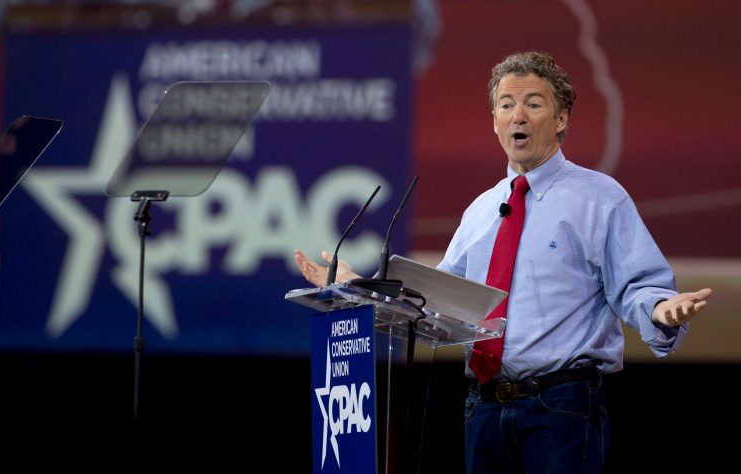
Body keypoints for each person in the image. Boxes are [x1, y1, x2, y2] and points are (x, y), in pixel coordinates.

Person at [294, 51, 713, 473]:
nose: (519, 116)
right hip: (485, 408)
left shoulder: (599, 197)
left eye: (534, 103)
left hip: (561, 409)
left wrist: (661, 309)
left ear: (561, 118)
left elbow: (638, 284)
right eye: (507, 105)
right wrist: (359, 286)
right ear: (494, 119)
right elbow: (434, 295)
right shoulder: (481, 209)